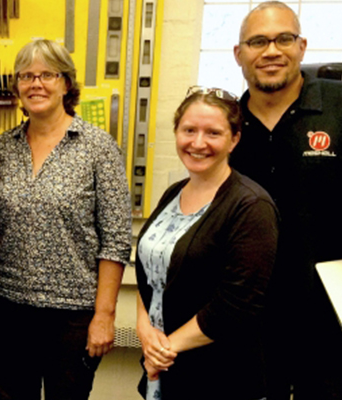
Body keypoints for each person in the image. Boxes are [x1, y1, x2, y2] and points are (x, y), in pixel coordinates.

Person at [230, 2, 342, 399]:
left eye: (284, 39)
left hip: (338, 322)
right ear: (239, 54)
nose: (271, 51)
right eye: (258, 41)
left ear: (302, 46)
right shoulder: (227, 125)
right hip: (252, 327)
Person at [0, 39, 131, 400]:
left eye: (47, 74)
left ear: (66, 84)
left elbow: (117, 240)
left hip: (72, 316)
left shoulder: (97, 147)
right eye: (26, 76)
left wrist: (104, 316)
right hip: (7, 309)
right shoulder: (4, 146)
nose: (36, 84)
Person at [134, 87, 278, 400]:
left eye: (213, 132)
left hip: (220, 377)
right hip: (163, 368)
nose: (198, 143)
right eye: (189, 130)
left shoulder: (250, 206)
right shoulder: (173, 193)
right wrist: (146, 333)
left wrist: (165, 349)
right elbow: (151, 275)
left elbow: (237, 303)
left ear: (234, 139)